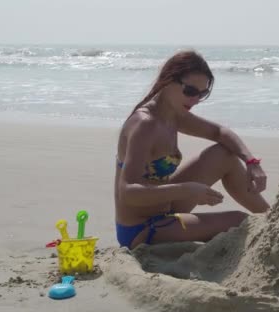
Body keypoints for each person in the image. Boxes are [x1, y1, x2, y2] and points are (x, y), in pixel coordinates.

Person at [114, 50, 270, 250]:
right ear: (168, 80)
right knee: (239, 220)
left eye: (202, 93)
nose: (195, 99)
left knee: (224, 155)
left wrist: (251, 162)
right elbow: (127, 191)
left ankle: (273, 218)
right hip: (142, 229)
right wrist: (188, 189)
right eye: (190, 91)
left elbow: (220, 132)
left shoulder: (173, 115)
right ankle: (271, 224)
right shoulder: (145, 124)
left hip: (166, 208)